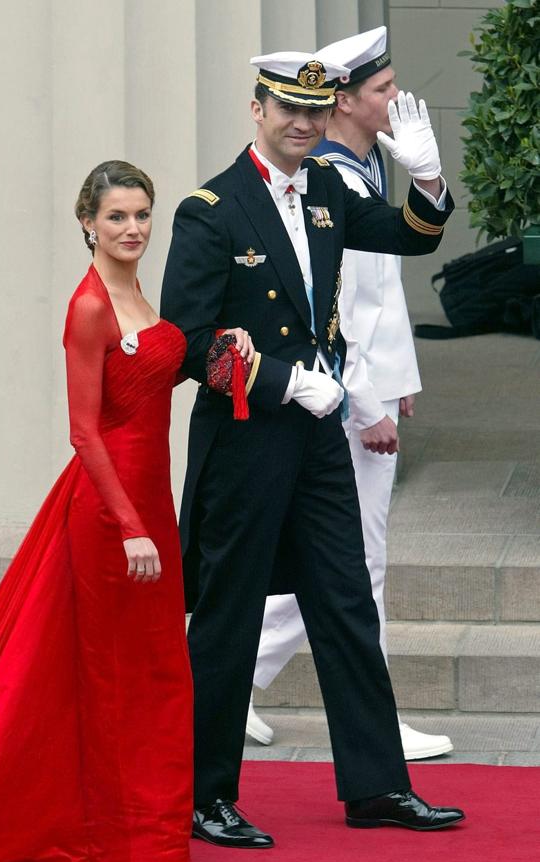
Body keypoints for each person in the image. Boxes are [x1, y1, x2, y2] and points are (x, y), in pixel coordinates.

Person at [161, 52, 465, 848]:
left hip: (319, 439)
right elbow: (186, 346)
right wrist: (283, 384)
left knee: (346, 604)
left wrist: (429, 183)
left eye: (314, 111)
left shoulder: (329, 191)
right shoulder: (211, 210)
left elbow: (411, 238)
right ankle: (204, 796)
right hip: (246, 439)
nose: (302, 123)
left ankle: (376, 787)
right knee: (227, 618)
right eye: (286, 109)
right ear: (256, 110)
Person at [0, 160, 209, 862]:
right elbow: (84, 431)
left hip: (147, 502)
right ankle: (112, 836)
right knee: (106, 671)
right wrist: (130, 524)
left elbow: (154, 374)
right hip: (109, 514)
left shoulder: (136, 287)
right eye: (117, 218)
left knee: (154, 670)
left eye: (141, 215)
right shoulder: (91, 306)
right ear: (87, 224)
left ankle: (150, 833)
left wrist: (221, 358)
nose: (133, 229)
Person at [249, 27, 453, 762]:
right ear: (344, 102)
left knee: (332, 560)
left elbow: (386, 298)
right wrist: (368, 403)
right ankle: (378, 719)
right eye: (382, 89)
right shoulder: (335, 179)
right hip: (342, 400)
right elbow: (345, 306)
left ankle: (232, 676)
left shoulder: (361, 170)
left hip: (363, 393)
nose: (395, 99)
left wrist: (395, 386)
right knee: (356, 564)